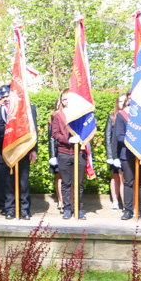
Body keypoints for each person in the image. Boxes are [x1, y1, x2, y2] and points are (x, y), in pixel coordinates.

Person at [0, 85, 38, 220]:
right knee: (9, 182)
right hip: (9, 150)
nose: (6, 99)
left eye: (8, 96)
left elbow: (33, 129)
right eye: (4, 96)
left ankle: (24, 209)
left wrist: (34, 149)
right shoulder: (2, 110)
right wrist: (10, 127)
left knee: (23, 182)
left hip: (23, 150)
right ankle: (10, 208)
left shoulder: (28, 108)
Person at [115, 94, 141, 220]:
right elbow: (119, 136)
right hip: (128, 153)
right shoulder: (122, 115)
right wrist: (133, 141)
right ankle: (128, 211)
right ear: (127, 100)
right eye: (131, 98)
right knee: (129, 182)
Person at [52, 89, 87, 220]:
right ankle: (67, 208)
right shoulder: (59, 115)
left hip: (80, 152)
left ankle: (78, 208)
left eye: (68, 99)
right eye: (64, 99)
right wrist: (67, 140)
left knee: (78, 183)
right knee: (66, 183)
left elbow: (88, 130)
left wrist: (80, 139)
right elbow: (55, 133)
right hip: (64, 152)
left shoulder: (81, 114)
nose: (66, 101)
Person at [104, 93, 126, 211]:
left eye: (124, 101)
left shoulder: (130, 116)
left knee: (124, 178)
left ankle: (125, 203)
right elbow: (108, 136)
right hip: (114, 150)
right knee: (115, 176)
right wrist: (110, 155)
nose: (122, 103)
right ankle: (115, 201)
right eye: (120, 101)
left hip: (125, 151)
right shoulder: (112, 116)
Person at [48, 98, 62, 212]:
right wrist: (53, 155)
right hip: (57, 151)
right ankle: (61, 201)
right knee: (59, 176)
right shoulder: (53, 118)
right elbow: (51, 138)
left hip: (68, 149)